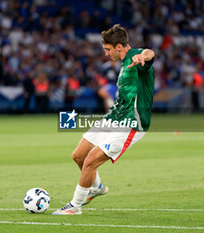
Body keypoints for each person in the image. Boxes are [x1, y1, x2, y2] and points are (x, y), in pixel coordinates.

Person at [53, 24, 155, 215]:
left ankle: (74, 206)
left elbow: (150, 53)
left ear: (119, 46)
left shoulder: (137, 57)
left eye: (108, 49)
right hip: (114, 117)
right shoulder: (122, 64)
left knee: (91, 160)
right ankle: (97, 187)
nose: (106, 54)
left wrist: (144, 56)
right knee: (79, 155)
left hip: (132, 123)